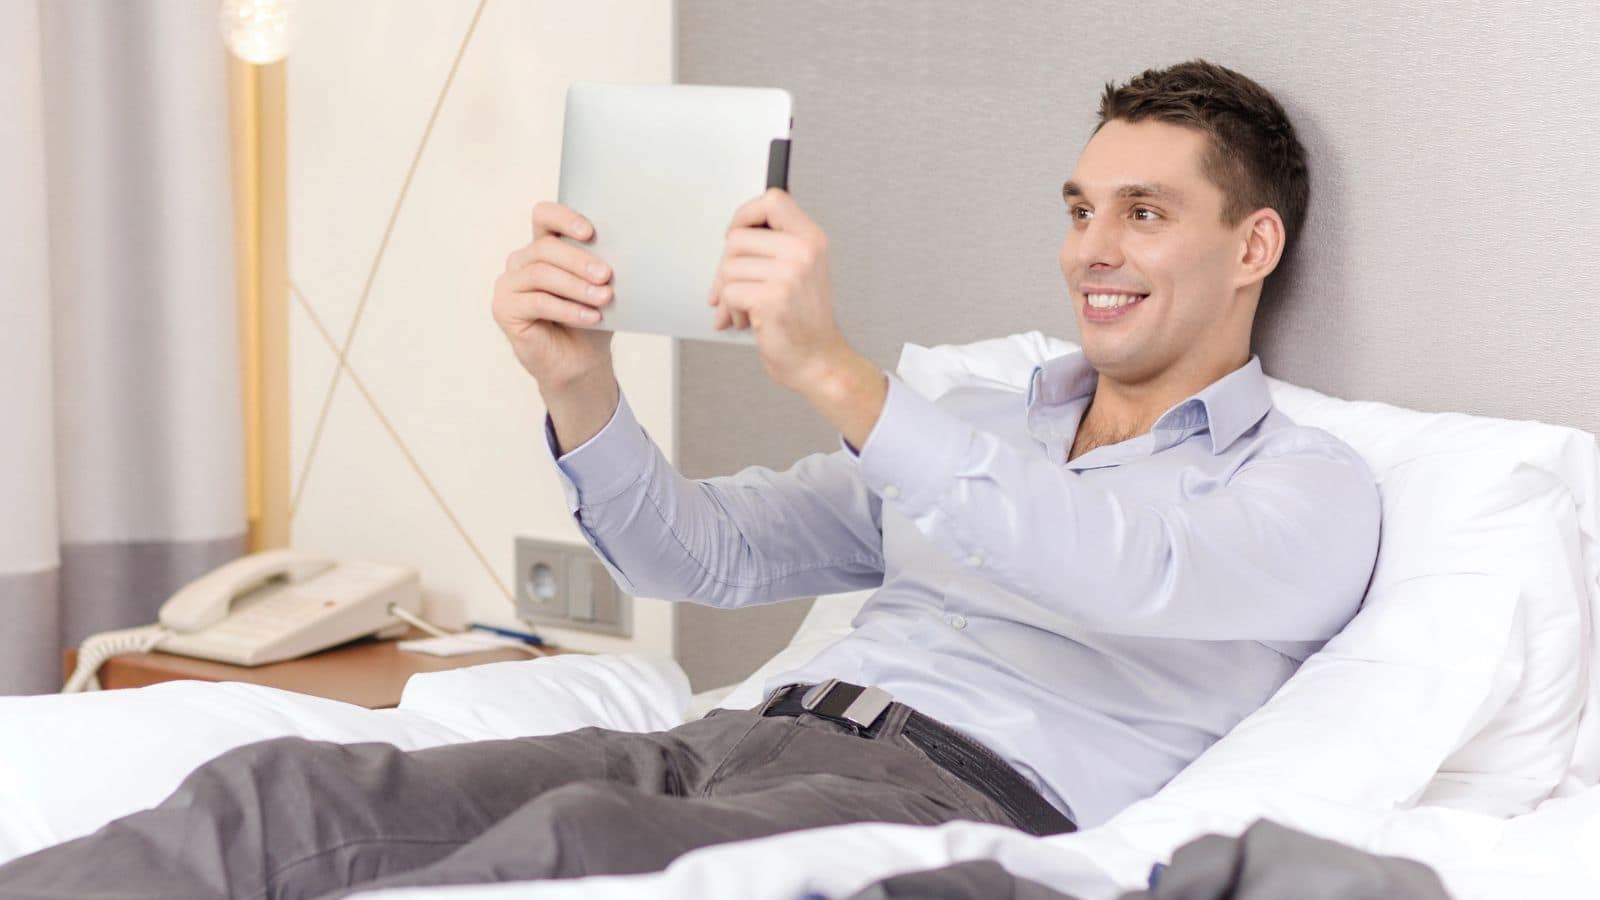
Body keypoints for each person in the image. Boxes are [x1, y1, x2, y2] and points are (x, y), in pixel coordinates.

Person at [0, 59, 1378, 899]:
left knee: (551, 861)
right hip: (732, 735)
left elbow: (1109, 569)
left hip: (949, 803)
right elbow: (704, 557)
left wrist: (838, 373)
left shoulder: (1310, 492)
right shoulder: (976, 418)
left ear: (1252, 246)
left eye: (1147, 212)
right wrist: (576, 383)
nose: (1094, 248)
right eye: (1080, 208)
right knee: (290, 795)